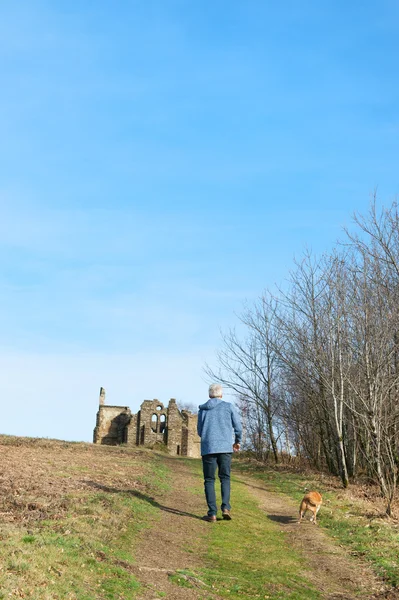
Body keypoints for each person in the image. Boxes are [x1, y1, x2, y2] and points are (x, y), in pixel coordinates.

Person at [197, 383, 242, 522]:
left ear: (209, 395)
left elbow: (199, 431)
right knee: (225, 478)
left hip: (208, 448)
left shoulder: (202, 410)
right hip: (225, 448)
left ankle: (212, 514)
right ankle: (226, 508)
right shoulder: (228, 407)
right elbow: (238, 427)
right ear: (221, 395)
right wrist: (237, 441)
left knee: (209, 480)